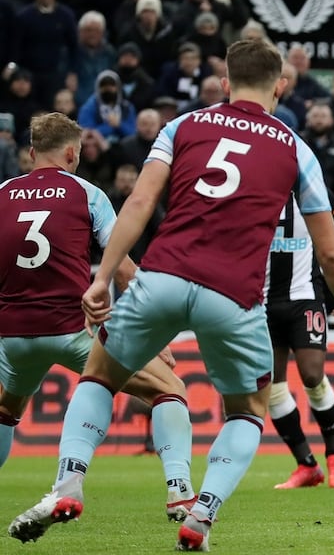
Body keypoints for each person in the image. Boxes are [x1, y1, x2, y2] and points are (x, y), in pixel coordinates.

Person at [7, 39, 334, 551]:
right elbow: (330, 252)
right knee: (246, 411)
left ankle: (68, 485)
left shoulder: (184, 126)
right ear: (281, 87)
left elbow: (139, 203)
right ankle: (201, 513)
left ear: (224, 83)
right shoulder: (294, 147)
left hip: (161, 279)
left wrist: (102, 277)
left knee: (100, 376)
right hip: (236, 297)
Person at [0, 113, 195, 525]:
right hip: (74, 329)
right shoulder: (87, 194)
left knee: (5, 408)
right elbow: (124, 270)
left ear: (32, 153)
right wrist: (154, 332)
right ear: (73, 153)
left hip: (11, 334)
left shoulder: (2, 193)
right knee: (169, 388)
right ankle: (179, 492)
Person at [265, 192, 334, 491]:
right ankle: (306, 464)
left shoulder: (313, 191)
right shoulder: (250, 185)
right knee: (270, 386)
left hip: (305, 297)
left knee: (312, 375)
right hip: (261, 302)